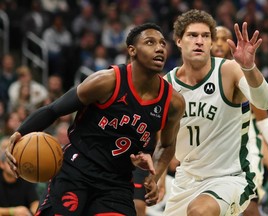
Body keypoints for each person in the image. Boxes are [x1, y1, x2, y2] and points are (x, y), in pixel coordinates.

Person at [5, 23, 185, 216]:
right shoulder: (106, 81)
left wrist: (155, 176)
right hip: (77, 169)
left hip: (117, 181)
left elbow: (167, 146)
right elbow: (53, 110)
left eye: (162, 44)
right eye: (150, 42)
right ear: (132, 50)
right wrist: (19, 132)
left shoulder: (173, 102)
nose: (159, 48)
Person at [162, 9, 268, 216]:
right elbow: (162, 139)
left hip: (229, 178)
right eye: (192, 35)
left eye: (205, 36)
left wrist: (249, 68)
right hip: (185, 180)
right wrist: (158, 178)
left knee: (200, 212)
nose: (199, 41)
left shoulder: (229, 70)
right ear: (178, 41)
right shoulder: (167, 84)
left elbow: (264, 102)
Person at [211, 25, 268, 216]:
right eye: (215, 38)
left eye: (225, 38)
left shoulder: (241, 72)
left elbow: (264, 120)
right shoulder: (199, 77)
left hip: (245, 154)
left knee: (247, 205)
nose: (219, 43)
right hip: (215, 155)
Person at [0, 136, 39, 216]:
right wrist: (12, 211)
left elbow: (35, 202)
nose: (14, 166)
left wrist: (33, 211)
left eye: (16, 162)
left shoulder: (24, 177)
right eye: (10, 162)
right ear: (1, 164)